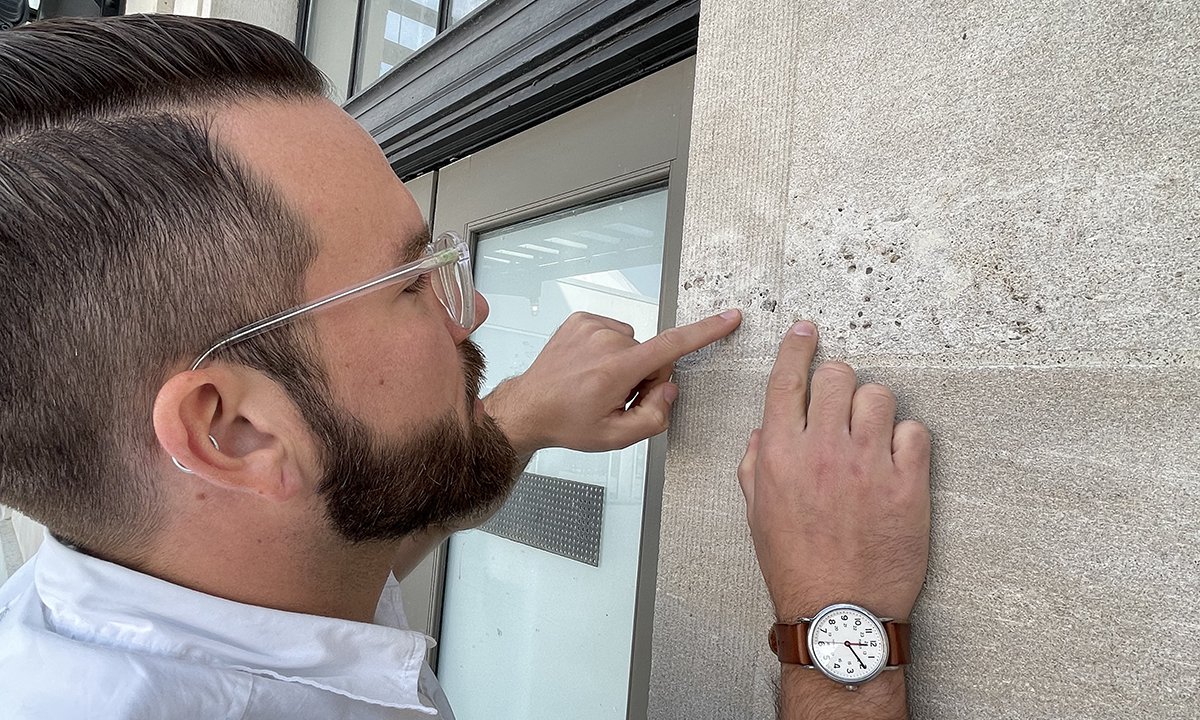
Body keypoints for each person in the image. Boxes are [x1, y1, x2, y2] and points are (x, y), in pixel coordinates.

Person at [0, 14, 930, 720]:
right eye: (413, 282)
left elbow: (328, 527)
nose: (474, 307)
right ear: (232, 430)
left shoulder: (127, 583)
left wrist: (520, 416)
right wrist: (836, 623)